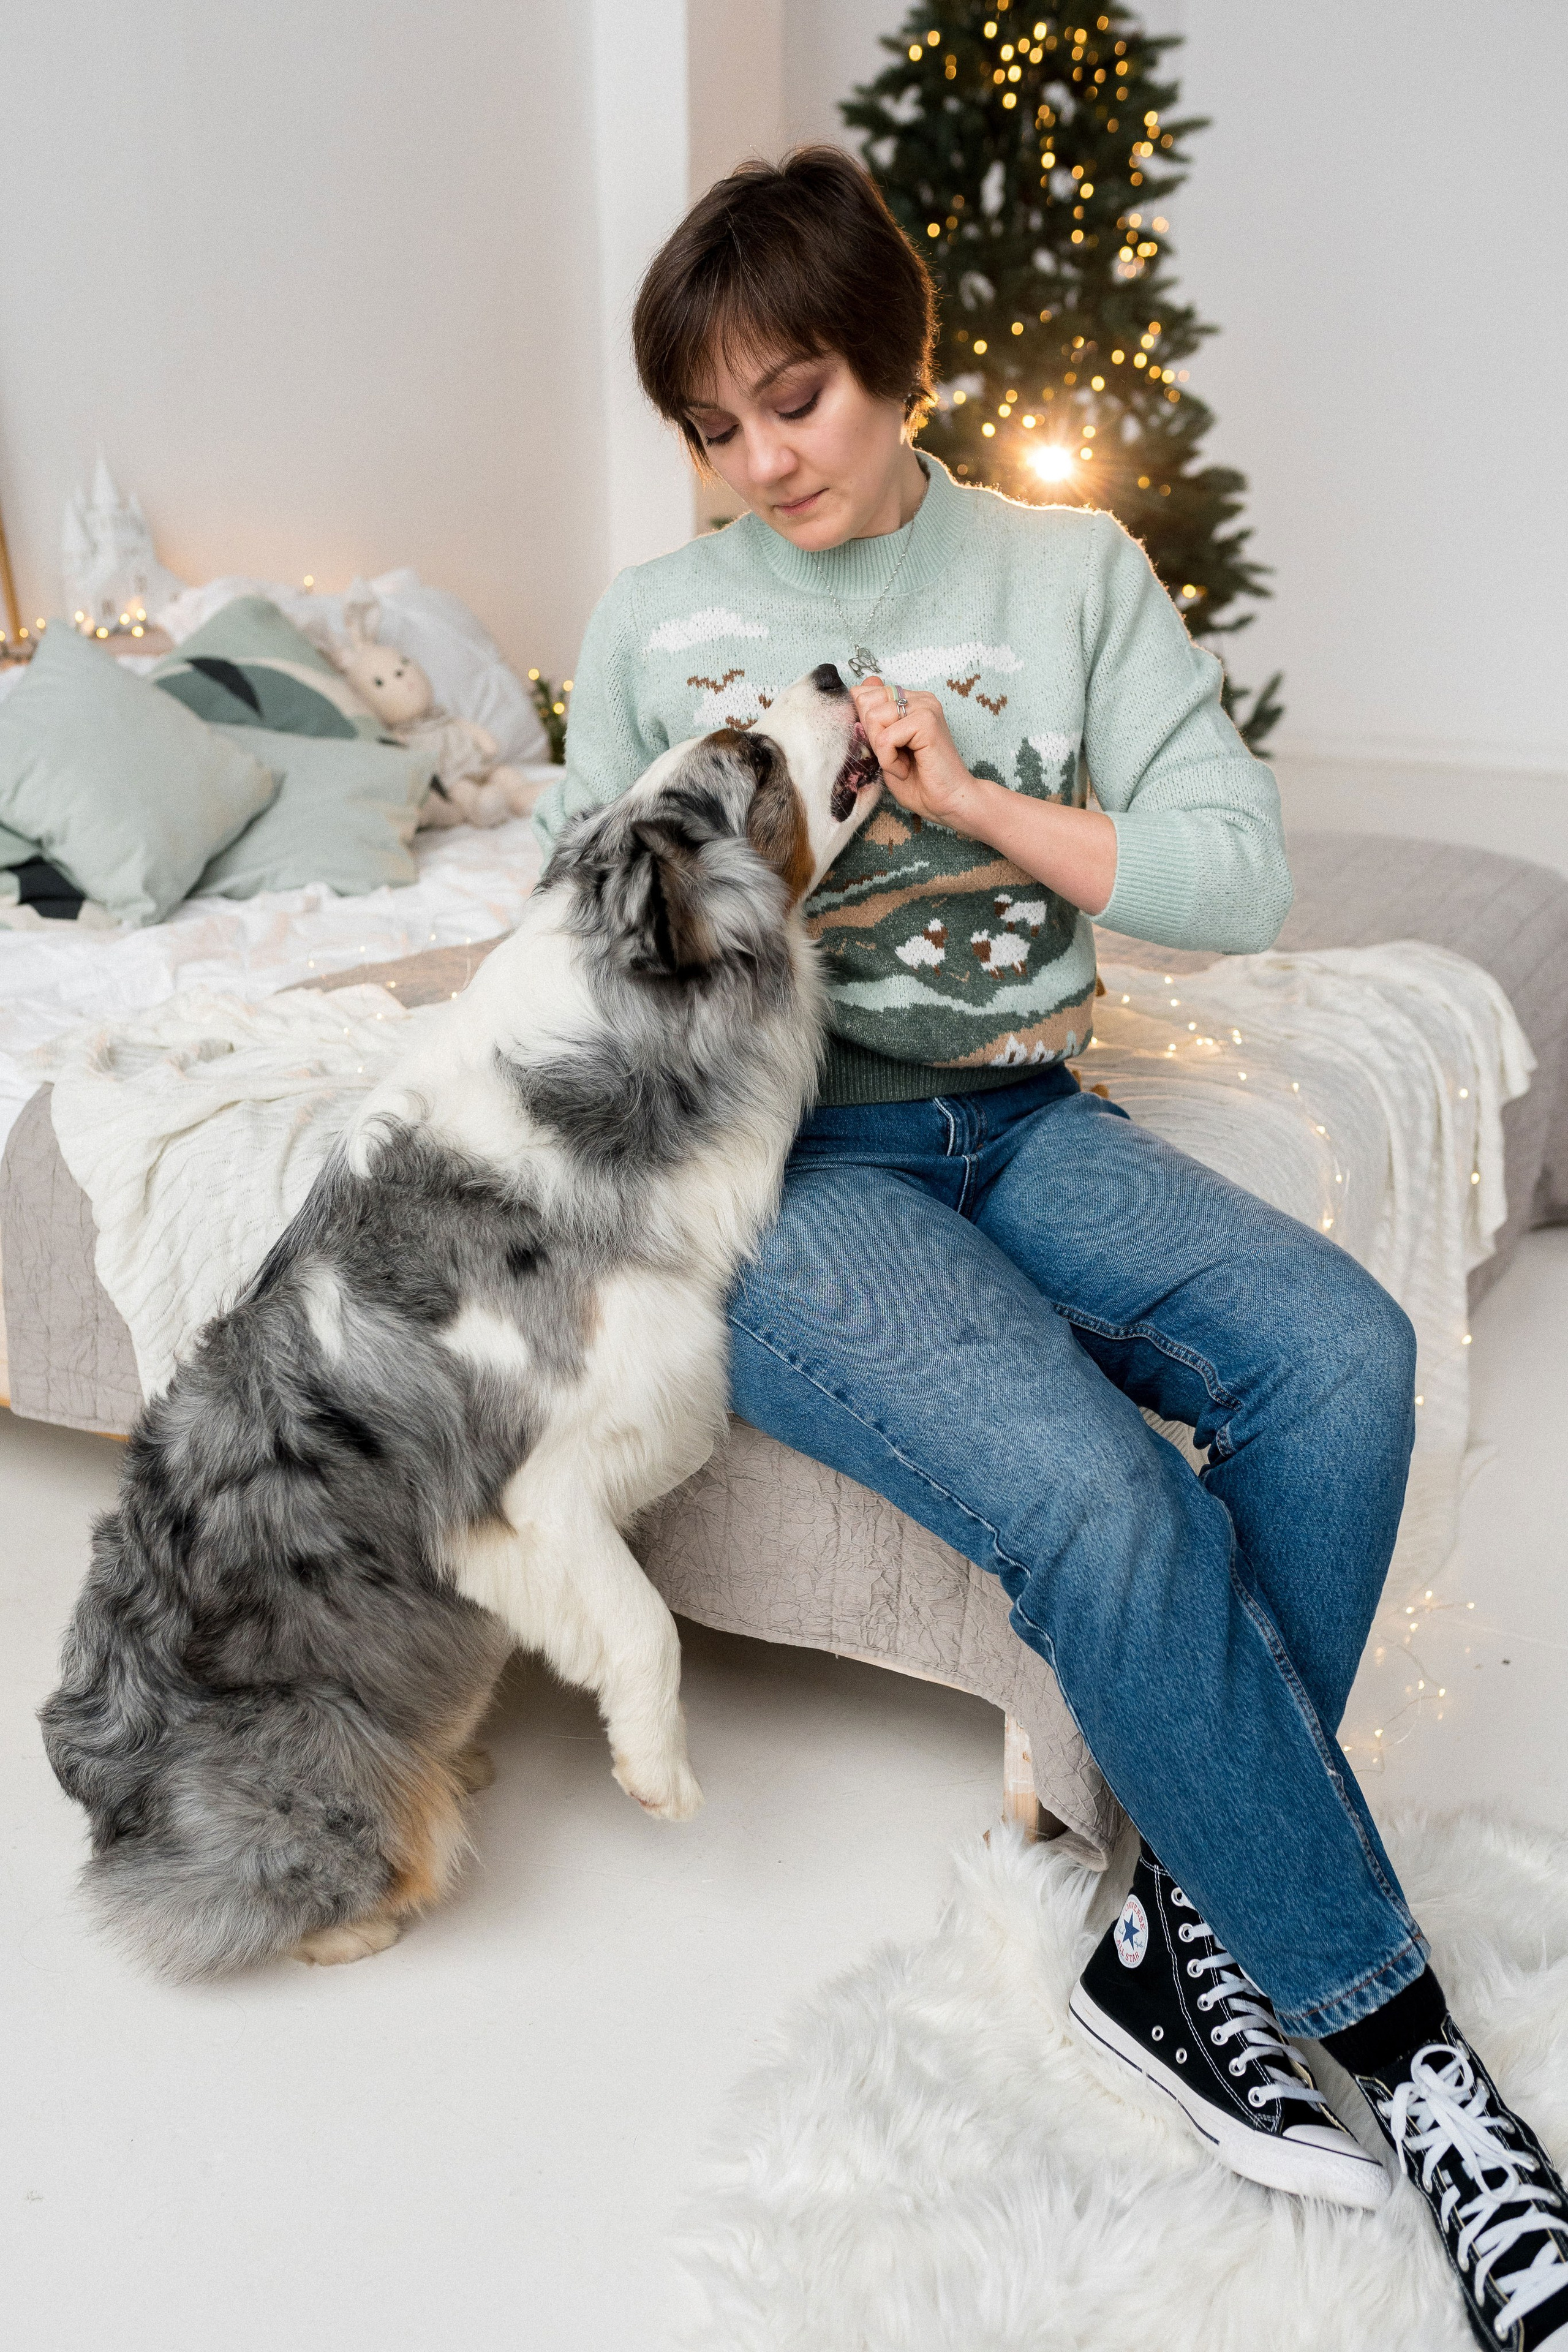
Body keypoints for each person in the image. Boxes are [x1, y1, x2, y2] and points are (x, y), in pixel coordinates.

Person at [534, 148, 1568, 2347]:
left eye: (795, 395)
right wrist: (749, 893)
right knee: (1096, 1495)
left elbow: (1232, 871)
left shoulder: (1065, 573)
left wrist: (980, 807)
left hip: (1024, 1114)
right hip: (791, 1167)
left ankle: (1169, 1937)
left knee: (1342, 1355)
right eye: (714, 428)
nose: (760, 458)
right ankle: (1418, 2070)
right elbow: (581, 942)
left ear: (891, 360)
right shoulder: (651, 627)